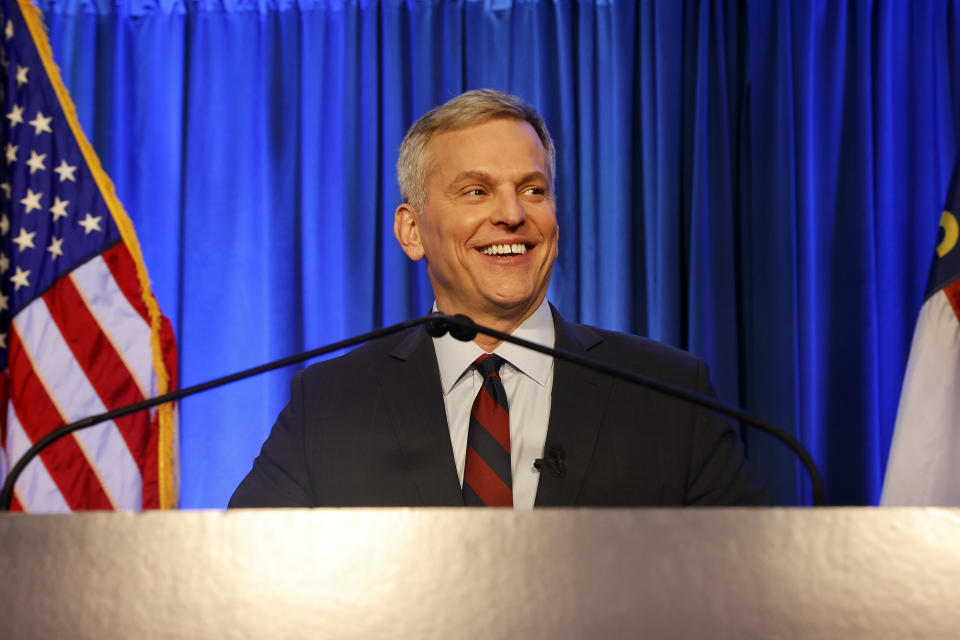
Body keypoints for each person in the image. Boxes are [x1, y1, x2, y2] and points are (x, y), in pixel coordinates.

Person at [229, 89, 768, 508]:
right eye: (477, 191)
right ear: (412, 231)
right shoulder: (331, 402)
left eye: (533, 190)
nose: (512, 214)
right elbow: (238, 580)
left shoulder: (671, 395)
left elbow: (752, 587)